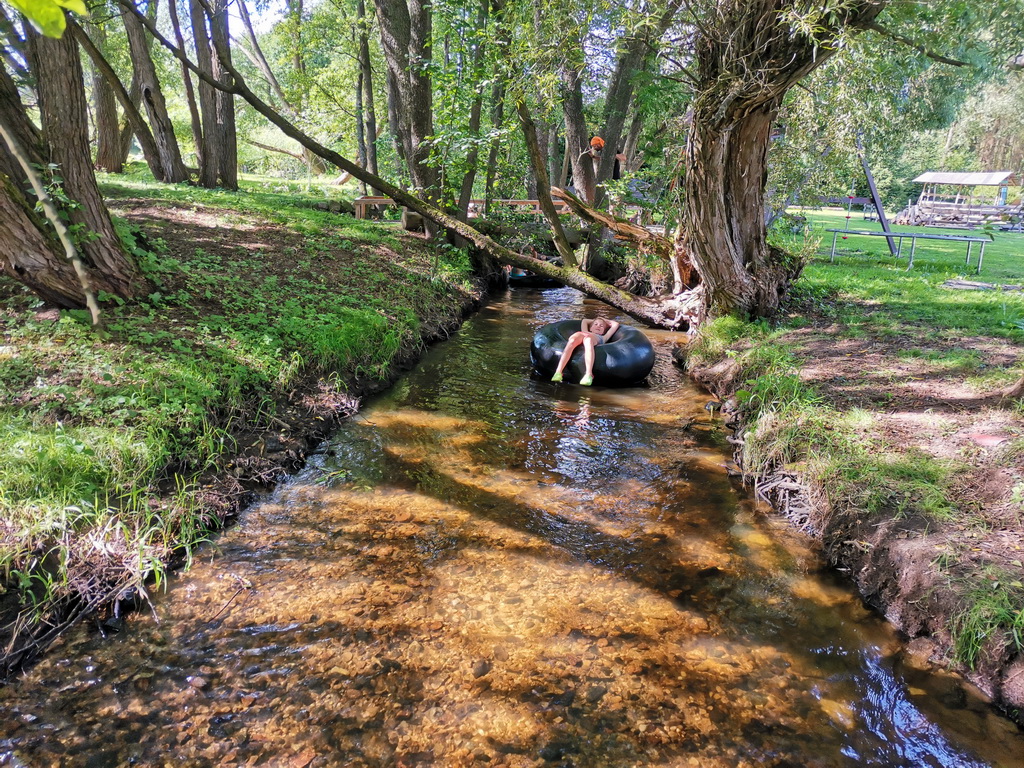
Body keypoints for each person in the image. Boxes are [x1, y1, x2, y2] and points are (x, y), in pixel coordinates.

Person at [550, 316, 621, 386]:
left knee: (588, 340)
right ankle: (558, 372)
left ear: (604, 331)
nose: (598, 326)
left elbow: (616, 324)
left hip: (592, 339)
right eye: (595, 324)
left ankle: (588, 374)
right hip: (581, 335)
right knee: (572, 341)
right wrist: (599, 318)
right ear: (590, 328)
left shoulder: (604, 337)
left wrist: (604, 320)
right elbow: (585, 320)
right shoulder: (585, 330)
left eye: (601, 326)